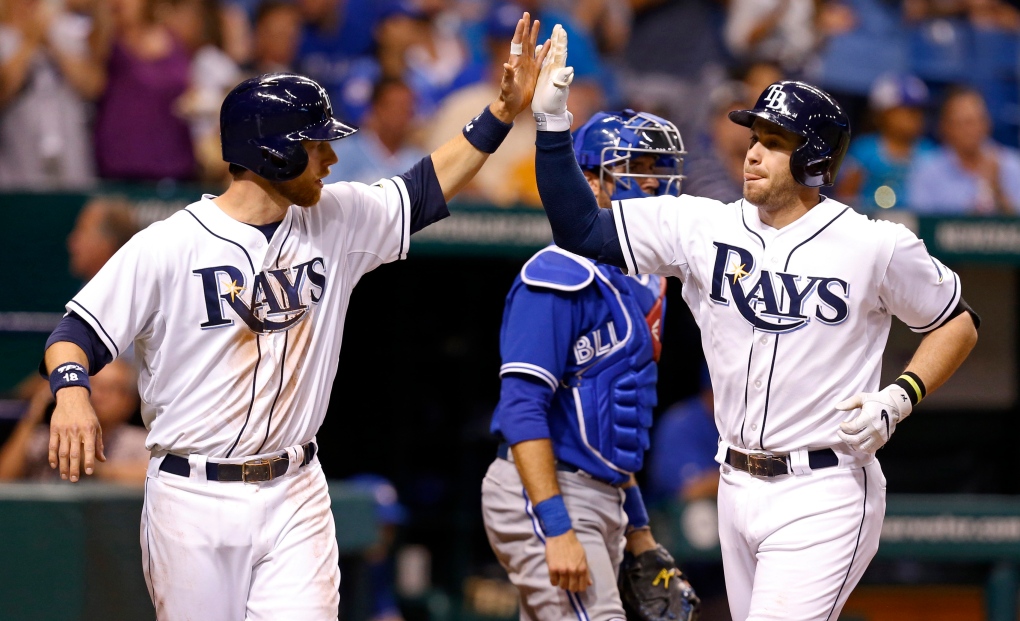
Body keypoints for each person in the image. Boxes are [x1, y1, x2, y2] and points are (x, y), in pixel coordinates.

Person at [40, 12, 547, 620]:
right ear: (271, 154)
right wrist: (71, 395)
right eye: (315, 145)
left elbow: (425, 189)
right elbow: (75, 334)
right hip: (192, 495)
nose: (331, 157)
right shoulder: (169, 244)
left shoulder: (336, 217)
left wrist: (499, 114)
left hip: (295, 490)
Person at [530, 31, 979, 621]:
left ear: (814, 159)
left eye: (774, 141)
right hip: (735, 484)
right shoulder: (701, 225)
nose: (753, 152)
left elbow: (958, 322)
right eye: (754, 137)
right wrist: (551, 123)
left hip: (826, 485)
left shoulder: (875, 245)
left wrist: (899, 397)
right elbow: (580, 229)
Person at [481, 105, 699, 620]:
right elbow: (521, 411)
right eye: (636, 168)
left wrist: (640, 531)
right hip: (544, 490)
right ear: (589, 179)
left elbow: (610, 429)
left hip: (603, 498)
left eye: (660, 170)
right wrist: (556, 527)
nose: (652, 184)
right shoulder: (555, 273)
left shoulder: (648, 280)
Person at [0, 358, 148, 485]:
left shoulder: (142, 443)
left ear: (130, 401)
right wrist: (32, 416)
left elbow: (153, 478)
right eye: (93, 385)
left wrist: (92, 467)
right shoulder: (49, 440)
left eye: (110, 388)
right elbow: (4, 482)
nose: (98, 396)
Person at [907, 86, 1020, 214]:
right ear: (945, 127)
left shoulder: (1013, 165)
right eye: (960, 123)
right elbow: (920, 225)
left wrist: (998, 190)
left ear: (987, 123)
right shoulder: (927, 171)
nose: (969, 131)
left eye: (974, 121)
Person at [836, 73, 936, 211]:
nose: (914, 117)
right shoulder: (864, 150)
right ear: (883, 114)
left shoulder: (929, 152)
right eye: (906, 111)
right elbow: (846, 195)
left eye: (918, 111)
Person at [322, 78, 427, 185]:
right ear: (376, 108)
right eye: (394, 107)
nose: (401, 114)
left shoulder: (417, 161)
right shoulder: (341, 153)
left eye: (407, 108)